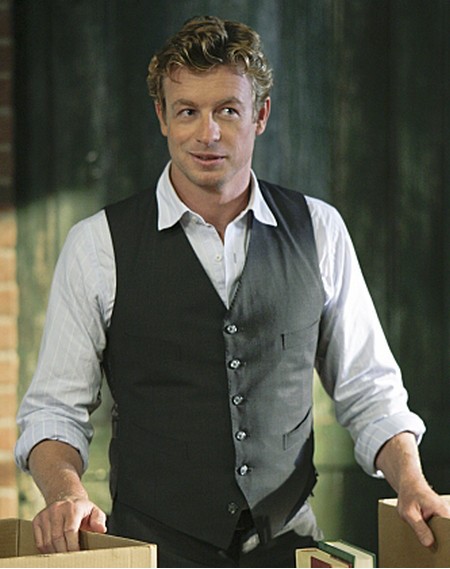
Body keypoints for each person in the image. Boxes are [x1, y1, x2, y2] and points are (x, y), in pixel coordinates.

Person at [15, 15, 450, 568]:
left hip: (290, 550)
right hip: (152, 552)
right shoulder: (96, 245)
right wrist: (66, 493)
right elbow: (53, 410)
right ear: (162, 117)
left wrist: (412, 483)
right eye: (187, 112)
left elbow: (370, 390)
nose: (208, 134)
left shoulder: (319, 230)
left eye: (227, 110)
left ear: (260, 115)